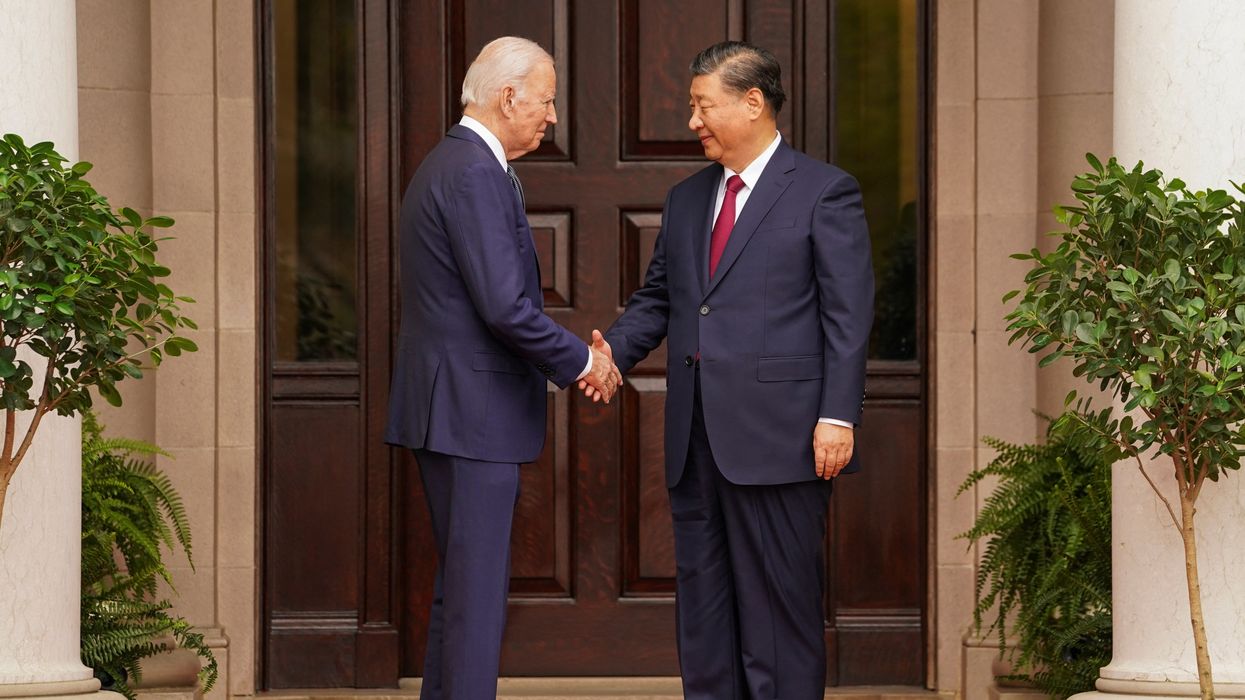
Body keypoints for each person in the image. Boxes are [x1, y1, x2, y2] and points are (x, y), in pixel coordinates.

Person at [590, 40, 874, 698]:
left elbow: (847, 315)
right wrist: (610, 355)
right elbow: (661, 295)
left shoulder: (824, 192)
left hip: (782, 439)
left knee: (779, 615)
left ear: (752, 103)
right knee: (705, 616)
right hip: (696, 442)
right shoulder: (687, 198)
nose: (691, 122)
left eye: (701, 106)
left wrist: (837, 415)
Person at [384, 36, 620, 700]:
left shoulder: (452, 164)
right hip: (470, 413)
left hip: (453, 409)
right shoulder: (473, 172)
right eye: (546, 100)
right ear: (509, 96)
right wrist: (584, 362)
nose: (551, 117)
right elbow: (505, 308)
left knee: (464, 590)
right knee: (476, 595)